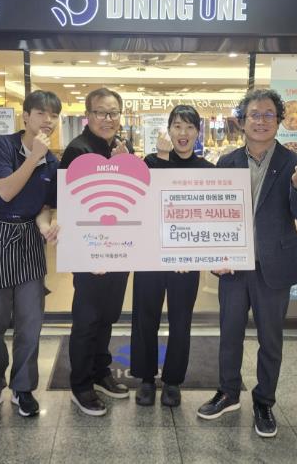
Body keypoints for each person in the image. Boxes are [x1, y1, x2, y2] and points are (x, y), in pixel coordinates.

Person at [197, 89, 297, 438]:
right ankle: (228, 392)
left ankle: (264, 401)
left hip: (273, 265)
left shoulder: (293, 162)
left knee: (271, 338)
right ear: (242, 121)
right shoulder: (227, 162)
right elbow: (215, 214)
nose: (261, 121)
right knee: (229, 333)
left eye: (268, 115)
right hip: (233, 266)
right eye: (254, 114)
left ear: (278, 121)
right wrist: (215, 255)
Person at [0, 90, 61, 421]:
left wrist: (46, 226)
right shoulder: (2, 146)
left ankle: (23, 388)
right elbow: (6, 191)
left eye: (53, 115)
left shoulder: (52, 162)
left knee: (30, 322)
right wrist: (33, 157)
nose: (48, 120)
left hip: (29, 241)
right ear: (25, 117)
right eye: (41, 113)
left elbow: (44, 207)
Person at [131, 105, 213, 407]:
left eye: (189, 127)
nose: (183, 133)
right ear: (168, 130)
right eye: (177, 126)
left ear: (198, 132)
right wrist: (163, 159)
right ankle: (145, 378)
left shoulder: (207, 170)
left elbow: (207, 217)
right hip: (150, 254)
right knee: (145, 317)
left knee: (181, 319)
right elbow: (148, 204)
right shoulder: (151, 162)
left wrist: (192, 254)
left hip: (185, 261)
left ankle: (173, 380)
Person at [60, 87, 134, 416]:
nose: (108, 118)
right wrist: (89, 255)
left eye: (114, 113)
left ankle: (100, 371)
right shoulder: (78, 150)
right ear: (87, 116)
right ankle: (80, 384)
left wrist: (125, 162)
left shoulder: (120, 147)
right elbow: (71, 205)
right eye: (101, 112)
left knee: (108, 315)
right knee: (87, 319)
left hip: (119, 249)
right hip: (90, 253)